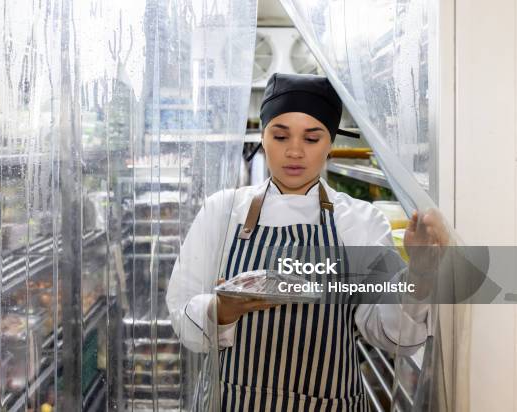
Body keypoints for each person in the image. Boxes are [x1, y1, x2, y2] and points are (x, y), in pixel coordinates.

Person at [166, 73, 446, 411]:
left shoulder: (359, 223)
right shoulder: (222, 211)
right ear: (263, 136)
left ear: (330, 143)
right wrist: (222, 310)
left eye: (312, 139)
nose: (294, 151)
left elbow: (390, 334)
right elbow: (182, 315)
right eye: (280, 135)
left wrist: (419, 274)